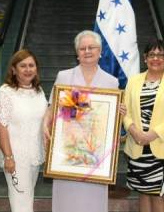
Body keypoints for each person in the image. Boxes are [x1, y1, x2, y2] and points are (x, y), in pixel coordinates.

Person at [43, 30, 124, 212]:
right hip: (67, 154)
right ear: (77, 53)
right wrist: (44, 125)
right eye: (82, 48)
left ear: (100, 51)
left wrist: (121, 112)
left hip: (96, 158)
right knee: (66, 202)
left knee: (93, 203)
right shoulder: (64, 77)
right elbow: (51, 108)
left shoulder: (111, 82)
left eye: (92, 47)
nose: (87, 51)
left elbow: (111, 118)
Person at [123, 39, 164, 212]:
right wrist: (135, 132)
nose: (156, 58)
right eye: (152, 54)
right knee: (143, 192)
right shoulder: (133, 81)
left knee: (159, 194)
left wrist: (151, 135)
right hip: (137, 146)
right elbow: (125, 112)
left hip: (162, 147)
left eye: (160, 55)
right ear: (145, 58)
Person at [0, 49, 47, 212]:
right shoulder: (5, 93)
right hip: (15, 158)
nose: (28, 69)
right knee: (20, 202)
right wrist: (8, 157)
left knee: (27, 198)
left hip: (34, 155)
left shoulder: (39, 91)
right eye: (23, 66)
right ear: (14, 70)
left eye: (31, 65)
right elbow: (1, 126)